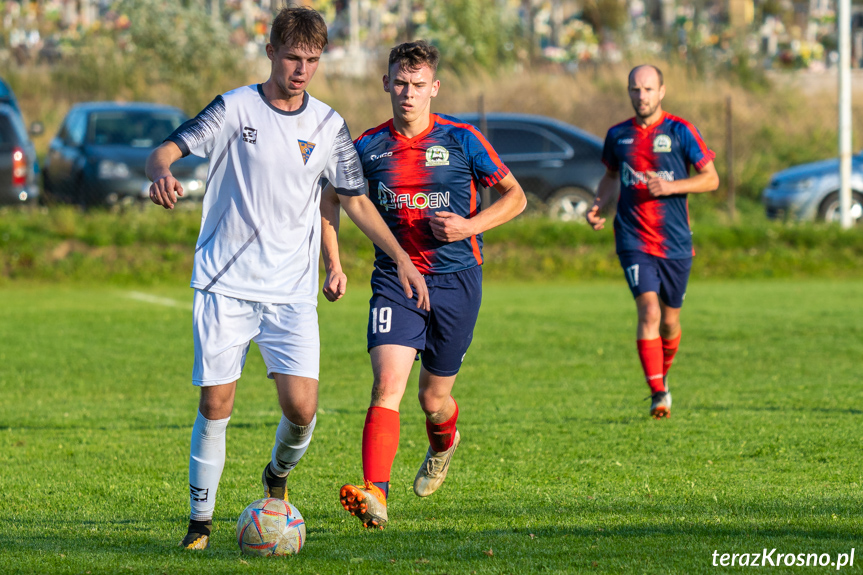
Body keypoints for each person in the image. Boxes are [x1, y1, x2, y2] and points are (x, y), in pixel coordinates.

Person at [145, 7, 428, 550]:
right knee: (216, 405)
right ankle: (198, 524)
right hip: (225, 283)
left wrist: (400, 257)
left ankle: (277, 474)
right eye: (293, 57)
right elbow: (166, 150)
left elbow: (357, 201)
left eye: (312, 60)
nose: (302, 69)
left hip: (290, 293)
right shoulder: (233, 108)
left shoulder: (328, 125)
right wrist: (162, 172)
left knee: (302, 412)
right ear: (271, 51)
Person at [320, 40, 527, 530]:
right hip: (395, 279)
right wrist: (333, 263)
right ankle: (376, 494)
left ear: (433, 87)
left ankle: (444, 442)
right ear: (386, 83)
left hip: (457, 278)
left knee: (433, 400)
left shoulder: (462, 139)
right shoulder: (366, 146)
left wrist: (469, 227)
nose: (408, 94)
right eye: (399, 83)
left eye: (417, 85)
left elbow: (516, 197)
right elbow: (331, 200)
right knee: (387, 383)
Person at [586, 64, 719, 419]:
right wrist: (600, 204)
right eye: (635, 89)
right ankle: (658, 392)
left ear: (661, 91)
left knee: (670, 322)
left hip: (675, 242)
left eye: (647, 89)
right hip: (632, 237)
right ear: (628, 92)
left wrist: (672, 186)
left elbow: (711, 179)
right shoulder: (617, 135)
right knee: (649, 310)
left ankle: (661, 371)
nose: (641, 96)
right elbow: (611, 177)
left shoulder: (680, 131)